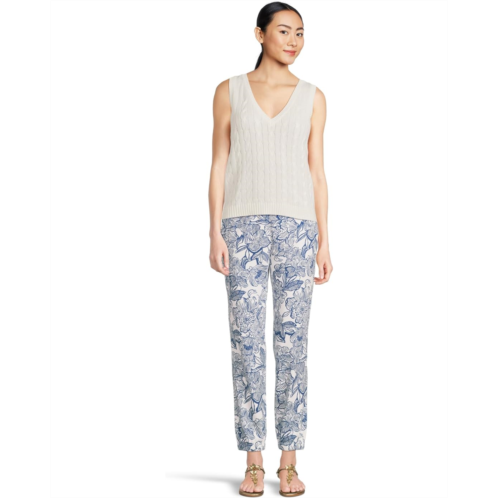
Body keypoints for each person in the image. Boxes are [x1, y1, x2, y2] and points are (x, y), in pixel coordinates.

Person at [208, 2, 332, 496]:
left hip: (299, 231)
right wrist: (214, 231)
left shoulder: (314, 97)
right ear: (260, 35)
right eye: (284, 31)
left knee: (292, 345)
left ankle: (290, 461)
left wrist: (325, 239)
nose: (294, 41)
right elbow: (219, 163)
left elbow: (317, 171)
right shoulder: (229, 91)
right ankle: (253, 461)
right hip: (241, 229)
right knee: (247, 345)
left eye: (300, 33)